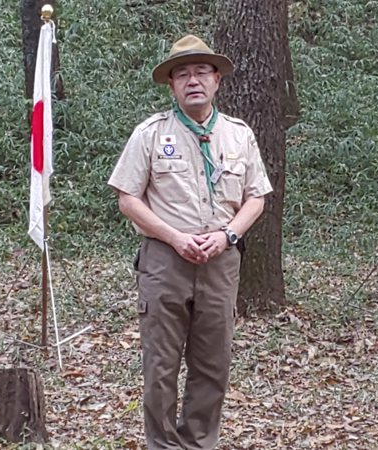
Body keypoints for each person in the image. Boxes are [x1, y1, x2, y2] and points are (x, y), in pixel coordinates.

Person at [108, 34, 273, 450]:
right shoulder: (149, 134)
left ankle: (200, 443)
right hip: (165, 261)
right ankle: (162, 445)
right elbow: (128, 198)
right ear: (172, 85)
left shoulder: (239, 136)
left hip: (221, 263)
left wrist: (227, 235)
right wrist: (175, 238)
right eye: (182, 74)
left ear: (217, 80)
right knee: (161, 366)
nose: (193, 80)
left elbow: (257, 196)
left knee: (213, 364)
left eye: (201, 71)